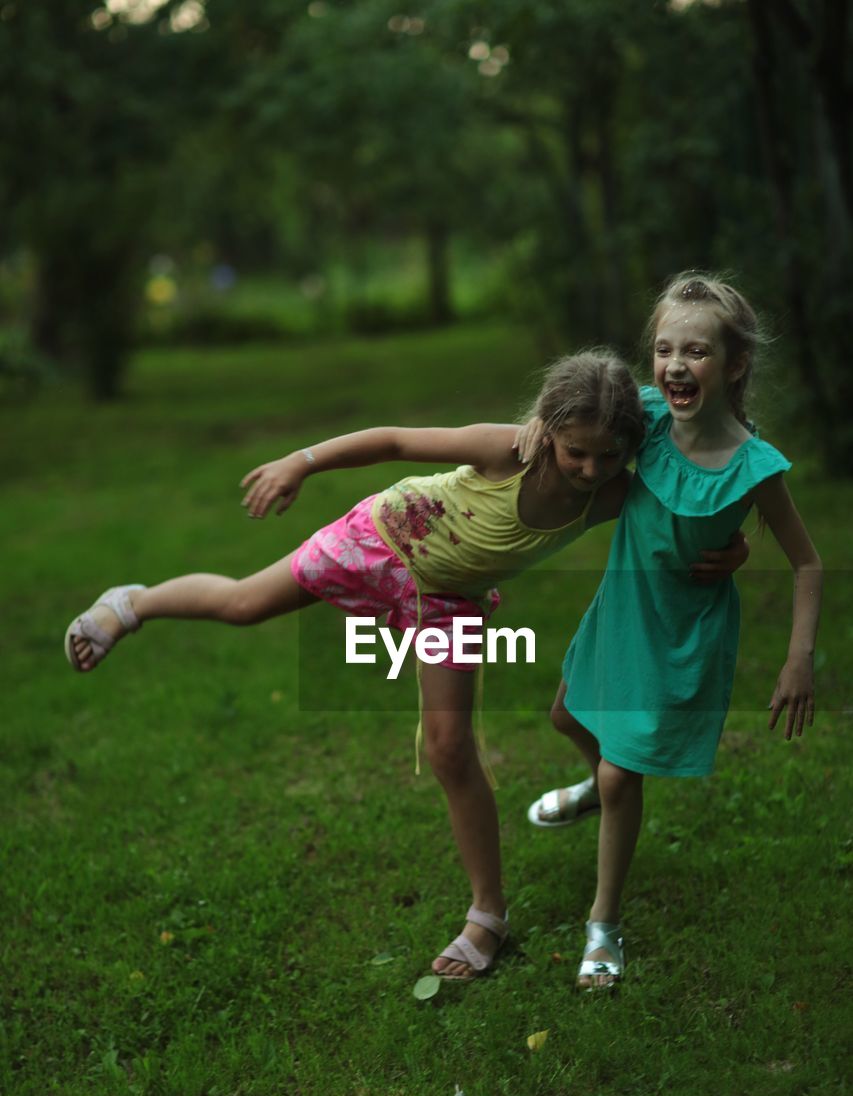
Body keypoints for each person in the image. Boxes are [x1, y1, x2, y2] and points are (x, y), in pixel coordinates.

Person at [64, 350, 744, 981]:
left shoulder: (614, 493)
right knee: (245, 603)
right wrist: (301, 461)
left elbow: (689, 512)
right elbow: (392, 440)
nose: (591, 469)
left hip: (447, 600)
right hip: (380, 538)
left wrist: (731, 548)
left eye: (608, 456)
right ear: (546, 429)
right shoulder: (506, 449)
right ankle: (133, 604)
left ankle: (487, 917)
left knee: (449, 750)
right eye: (577, 453)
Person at [521, 275, 823, 991]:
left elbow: (807, 563)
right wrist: (538, 420)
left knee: (625, 770)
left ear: (735, 364)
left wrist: (796, 660)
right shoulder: (645, 420)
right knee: (565, 712)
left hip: (681, 634)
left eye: (696, 351)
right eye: (663, 350)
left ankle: (602, 924)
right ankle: (599, 784)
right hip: (622, 611)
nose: (675, 365)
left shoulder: (755, 467)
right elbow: (579, 413)